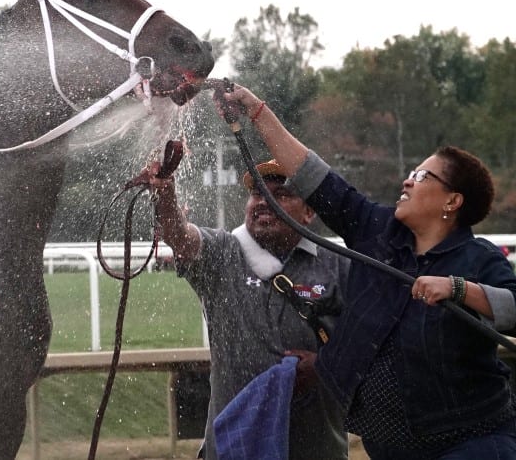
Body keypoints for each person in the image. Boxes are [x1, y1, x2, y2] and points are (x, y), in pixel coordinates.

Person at [219, 83, 516, 459]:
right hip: (389, 448)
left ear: (452, 201)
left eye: (423, 177)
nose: (407, 180)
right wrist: (256, 112)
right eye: (411, 172)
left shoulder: (480, 259)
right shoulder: (375, 229)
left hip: (474, 444)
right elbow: (313, 176)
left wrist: (459, 289)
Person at [141, 153, 350, 460]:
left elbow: (369, 345)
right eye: (257, 193)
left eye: (281, 194)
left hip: (317, 449)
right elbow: (179, 236)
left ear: (309, 212)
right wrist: (165, 192)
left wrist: (324, 366)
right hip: (230, 451)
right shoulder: (222, 253)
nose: (264, 201)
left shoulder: (339, 266)